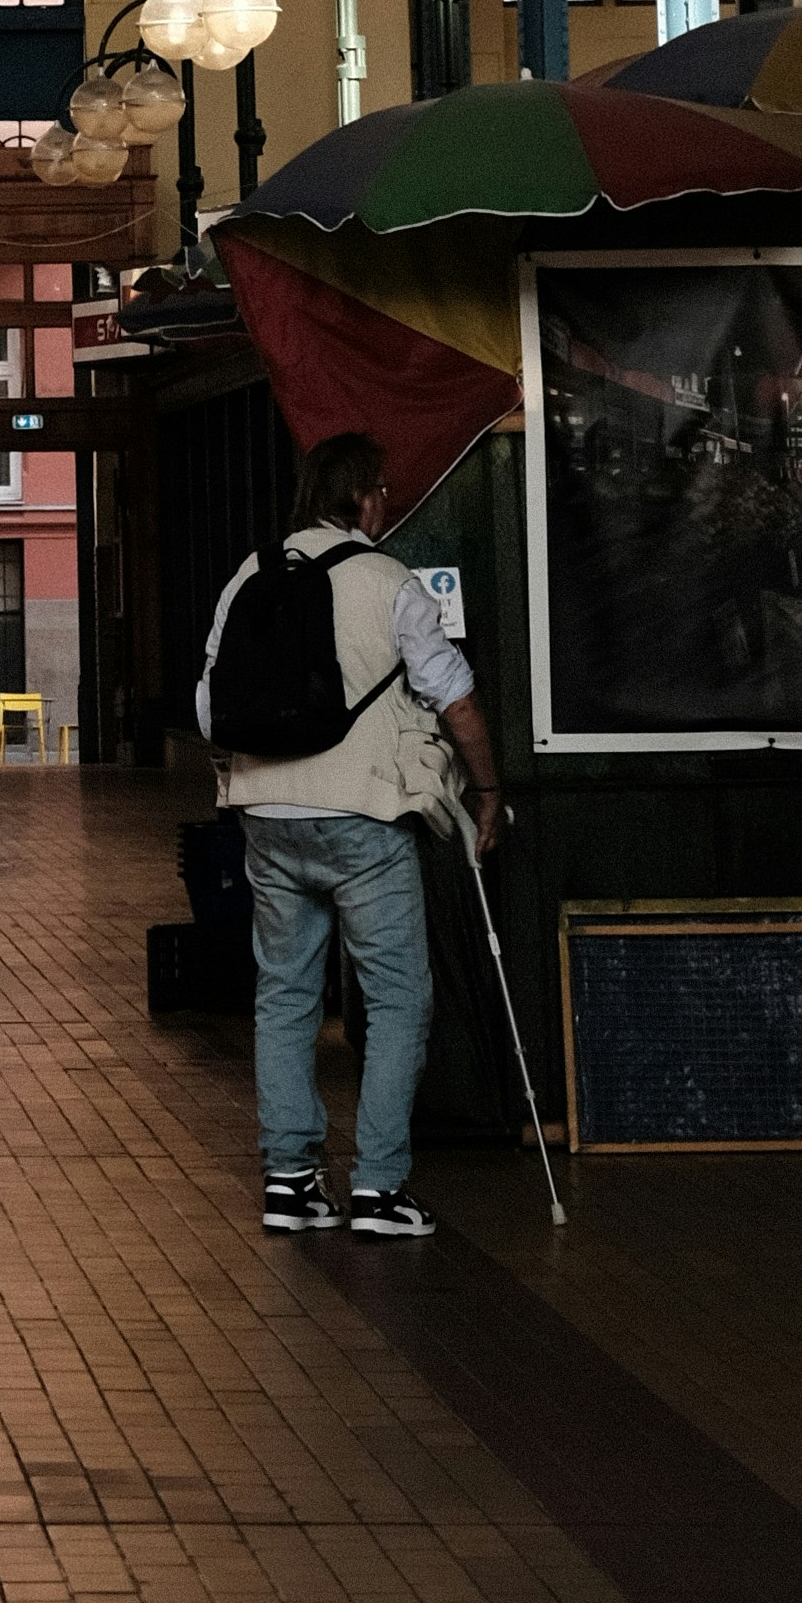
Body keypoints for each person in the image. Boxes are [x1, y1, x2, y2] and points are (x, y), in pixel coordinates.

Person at [199, 429, 499, 1242]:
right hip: (364, 816)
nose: (387, 502)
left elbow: (207, 704)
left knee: (287, 995)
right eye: (381, 490)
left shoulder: (247, 577)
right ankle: (378, 1189)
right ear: (362, 497)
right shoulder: (388, 581)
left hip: (267, 814)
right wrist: (489, 790)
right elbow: (457, 700)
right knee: (399, 998)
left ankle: (291, 1183)